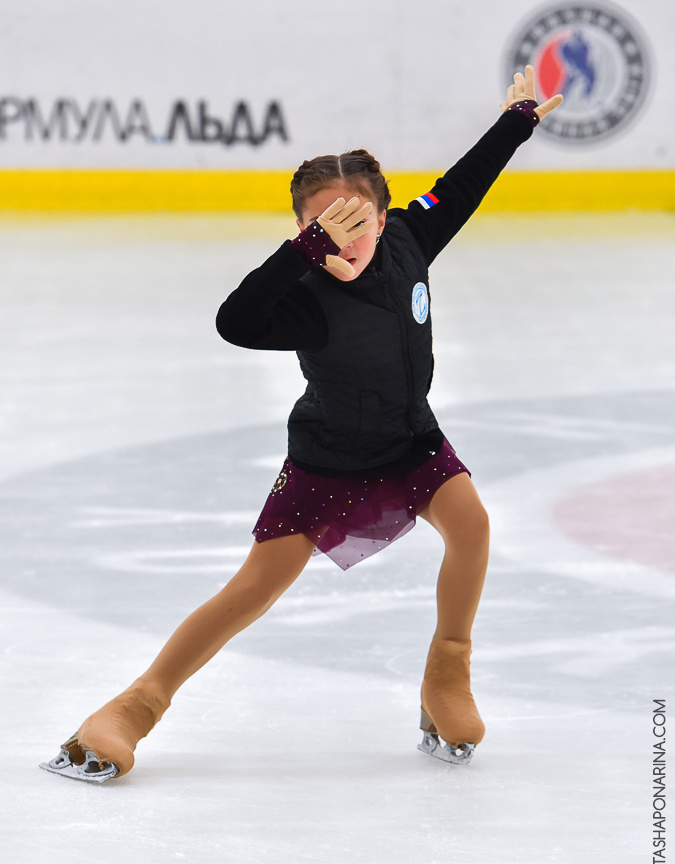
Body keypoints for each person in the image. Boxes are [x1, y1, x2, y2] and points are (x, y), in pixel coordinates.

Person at [41, 66, 562, 782]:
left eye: (361, 219)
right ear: (303, 231)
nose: (350, 237)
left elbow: (465, 182)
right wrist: (301, 259)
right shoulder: (303, 296)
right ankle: (138, 704)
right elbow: (234, 322)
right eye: (327, 227)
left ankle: (446, 672)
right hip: (327, 455)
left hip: (411, 440)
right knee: (255, 587)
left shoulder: (411, 239)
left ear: (385, 216)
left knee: (471, 526)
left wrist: (517, 121)